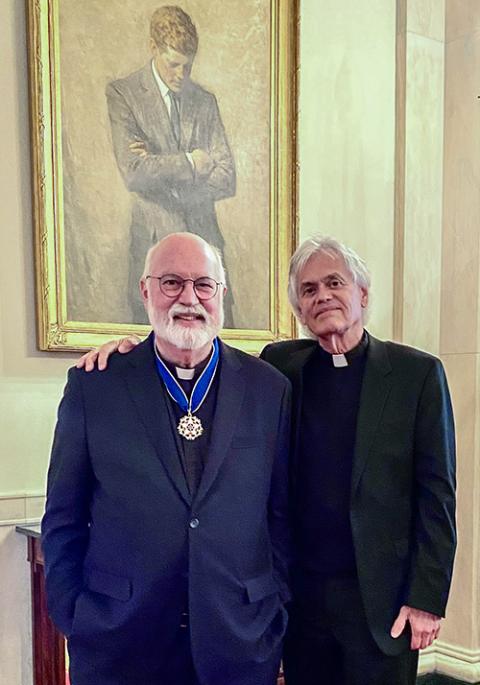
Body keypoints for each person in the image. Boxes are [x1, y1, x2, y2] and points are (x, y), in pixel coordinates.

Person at [79, 236, 457, 685]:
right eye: (309, 290)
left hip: (381, 601)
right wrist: (125, 350)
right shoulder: (282, 368)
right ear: (299, 309)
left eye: (334, 283)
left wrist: (426, 598)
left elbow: (437, 493)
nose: (323, 297)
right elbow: (192, 349)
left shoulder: (417, 374)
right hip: (304, 601)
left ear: (363, 293)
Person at [42, 233, 291, 685]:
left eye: (203, 285)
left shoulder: (268, 389)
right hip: (121, 641)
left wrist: (275, 610)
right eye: (172, 282)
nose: (188, 299)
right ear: (145, 291)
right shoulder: (95, 386)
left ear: (222, 294)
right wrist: (74, 616)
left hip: (238, 642)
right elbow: (63, 516)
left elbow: (280, 515)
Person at [106, 5, 236, 325]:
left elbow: (226, 177)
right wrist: (192, 163)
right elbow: (134, 171)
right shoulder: (124, 94)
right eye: (173, 64)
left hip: (207, 251)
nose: (181, 75)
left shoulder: (205, 102)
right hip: (152, 246)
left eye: (187, 67)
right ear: (154, 48)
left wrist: (162, 178)